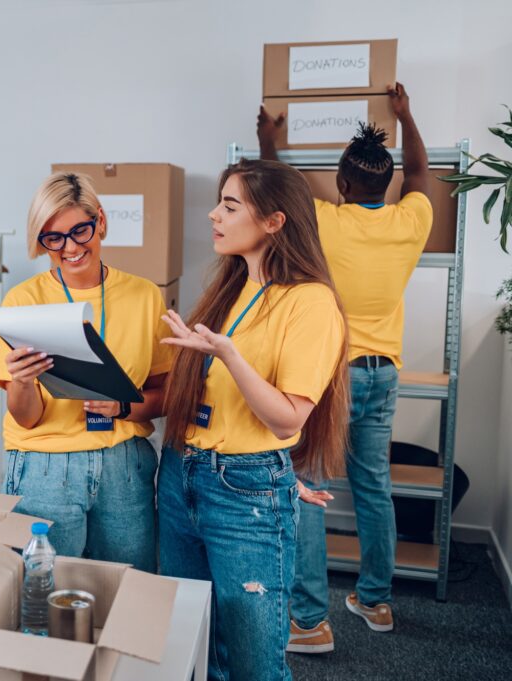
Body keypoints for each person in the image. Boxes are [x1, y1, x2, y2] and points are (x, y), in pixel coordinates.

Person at [158, 159, 349, 680]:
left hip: (244, 494)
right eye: (218, 202)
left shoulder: (311, 303)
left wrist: (230, 356)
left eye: (230, 204)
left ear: (274, 221)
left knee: (252, 663)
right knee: (193, 648)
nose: (213, 215)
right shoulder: (232, 287)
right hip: (181, 475)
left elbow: (288, 421)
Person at [259, 82, 432, 648]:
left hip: (333, 375)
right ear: (387, 185)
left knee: (308, 483)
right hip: (386, 373)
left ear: (342, 185)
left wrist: (267, 139)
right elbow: (421, 171)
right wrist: (405, 117)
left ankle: (309, 622)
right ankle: (376, 601)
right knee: (373, 485)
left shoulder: (328, 222)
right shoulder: (412, 220)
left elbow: (278, 187)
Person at [0, 172, 172, 572]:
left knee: (128, 593)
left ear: (101, 222)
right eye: (53, 238)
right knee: (43, 594)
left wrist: (123, 408)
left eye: (80, 231)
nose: (69, 248)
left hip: (123, 465)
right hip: (45, 467)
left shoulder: (144, 296)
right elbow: (26, 417)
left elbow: (166, 394)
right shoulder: (22, 301)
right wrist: (22, 380)